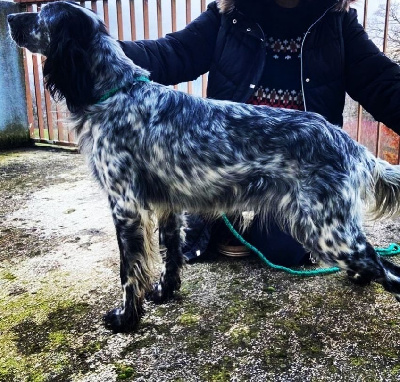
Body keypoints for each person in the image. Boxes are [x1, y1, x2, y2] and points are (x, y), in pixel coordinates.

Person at [119, 0, 400, 266]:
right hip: (229, 163)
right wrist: (102, 50)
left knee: (282, 251)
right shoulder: (228, 14)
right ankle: (231, 221)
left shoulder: (338, 21)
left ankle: (250, 227)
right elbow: (173, 52)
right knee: (186, 241)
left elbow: (380, 80)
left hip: (295, 170)